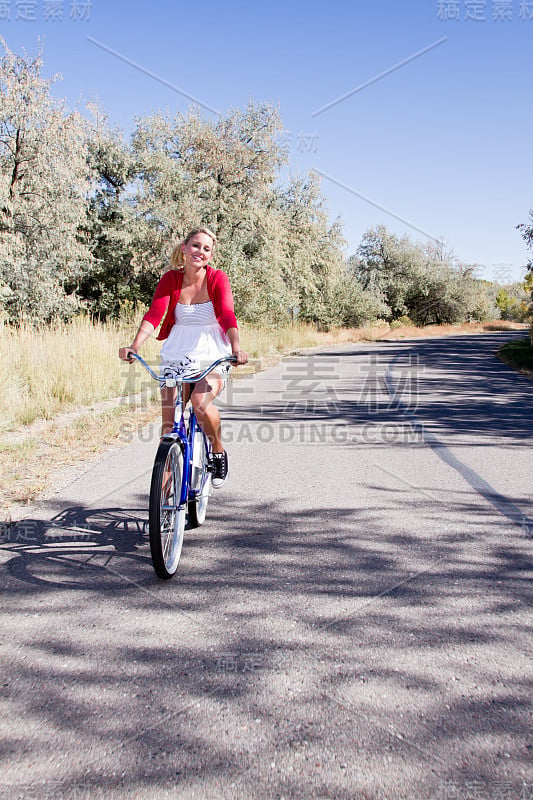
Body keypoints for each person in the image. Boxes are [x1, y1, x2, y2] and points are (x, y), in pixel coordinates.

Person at [119, 226, 248, 487]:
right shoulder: (171, 279)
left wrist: (235, 348)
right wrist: (135, 346)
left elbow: (226, 314)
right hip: (177, 353)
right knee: (169, 426)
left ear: (211, 255)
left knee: (200, 403)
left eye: (206, 248)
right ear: (184, 248)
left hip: (212, 352)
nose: (200, 251)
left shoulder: (217, 278)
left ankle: (218, 452)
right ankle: (164, 505)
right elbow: (154, 315)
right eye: (195, 246)